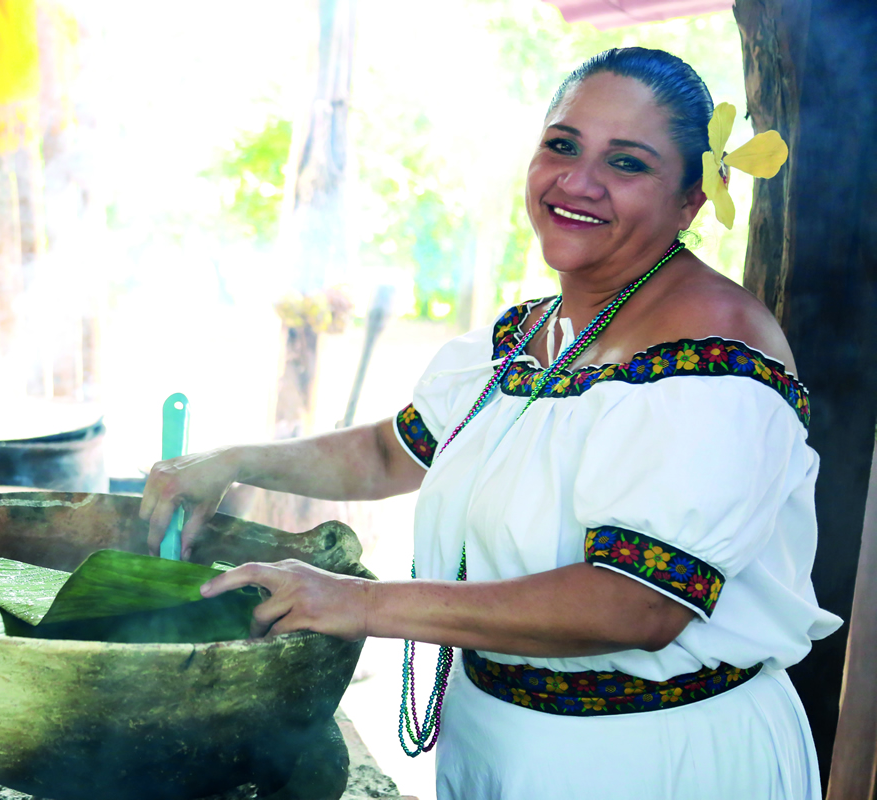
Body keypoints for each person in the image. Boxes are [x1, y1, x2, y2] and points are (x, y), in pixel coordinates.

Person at [140, 47, 841, 800]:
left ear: (692, 199)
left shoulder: (715, 355)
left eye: (628, 163)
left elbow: (636, 602)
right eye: (562, 145)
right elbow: (387, 454)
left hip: (653, 762)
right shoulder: (529, 337)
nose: (577, 181)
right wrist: (232, 461)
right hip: (498, 747)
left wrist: (357, 603)